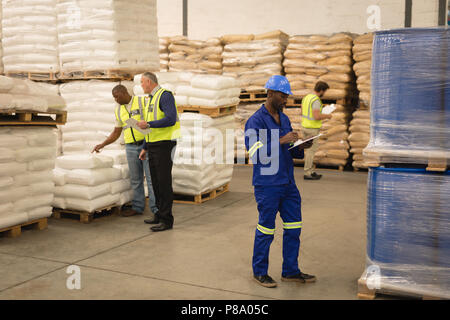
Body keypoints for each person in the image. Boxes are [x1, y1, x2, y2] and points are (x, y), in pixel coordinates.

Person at [245, 75, 316, 288]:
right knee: (266, 229)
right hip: (267, 185)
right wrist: (281, 140)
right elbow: (256, 155)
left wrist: (300, 148)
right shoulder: (255, 121)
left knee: (294, 227)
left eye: (286, 96)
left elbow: (288, 149)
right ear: (270, 93)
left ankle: (290, 270)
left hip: (287, 183)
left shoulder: (284, 119)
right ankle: (260, 272)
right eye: (283, 96)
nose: (285, 100)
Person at [92, 85, 158, 217]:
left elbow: (152, 121)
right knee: (135, 179)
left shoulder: (141, 102)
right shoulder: (118, 110)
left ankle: (156, 209)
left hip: (146, 145)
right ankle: (138, 207)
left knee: (151, 179)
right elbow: (117, 132)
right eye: (114, 97)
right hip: (131, 147)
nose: (115, 99)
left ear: (124, 92)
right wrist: (103, 144)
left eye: (117, 96)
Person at [137, 72, 180, 232]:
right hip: (153, 145)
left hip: (164, 145)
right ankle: (159, 214)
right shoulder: (151, 99)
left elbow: (170, 118)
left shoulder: (165, 96)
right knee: (155, 182)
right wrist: (144, 147)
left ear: (149, 81)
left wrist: (148, 124)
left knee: (163, 183)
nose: (141, 85)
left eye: (142, 82)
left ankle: (167, 220)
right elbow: (150, 127)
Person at [301, 81, 331, 180]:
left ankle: (311, 171)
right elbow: (316, 116)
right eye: (325, 91)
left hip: (305, 126)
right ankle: (308, 173)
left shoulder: (307, 97)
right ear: (321, 90)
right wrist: (327, 115)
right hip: (312, 129)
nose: (324, 94)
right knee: (311, 151)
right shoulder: (316, 100)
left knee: (309, 150)